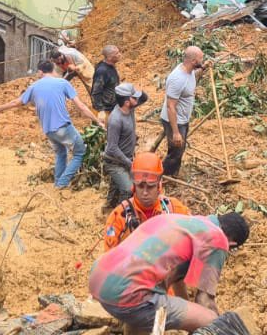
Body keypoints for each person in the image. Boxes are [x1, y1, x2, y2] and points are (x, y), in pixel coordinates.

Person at [88, 213, 251, 335]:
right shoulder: (218, 239)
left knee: (147, 312)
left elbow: (177, 281)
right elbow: (205, 301)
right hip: (128, 296)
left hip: (98, 281)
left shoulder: (185, 222)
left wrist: (188, 315)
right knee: (211, 320)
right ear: (232, 243)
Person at [0, 61, 103, 188]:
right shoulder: (63, 83)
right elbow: (81, 106)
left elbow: (16, 102)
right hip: (63, 126)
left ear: (41, 72)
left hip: (48, 131)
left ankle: (58, 182)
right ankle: (62, 183)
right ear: (53, 69)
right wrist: (97, 121)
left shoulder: (34, 87)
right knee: (80, 152)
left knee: (61, 153)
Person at [103, 151, 191, 251]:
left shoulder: (175, 209)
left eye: (150, 187)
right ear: (134, 186)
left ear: (159, 185)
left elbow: (195, 233)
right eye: (140, 186)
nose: (145, 192)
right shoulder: (117, 217)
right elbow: (109, 257)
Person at [159, 46, 207, 177]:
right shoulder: (177, 79)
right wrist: (175, 132)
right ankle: (161, 177)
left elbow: (191, 78)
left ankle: (173, 174)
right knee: (176, 152)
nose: (202, 61)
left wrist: (204, 67)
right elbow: (170, 106)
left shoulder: (189, 70)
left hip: (182, 119)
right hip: (175, 120)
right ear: (193, 61)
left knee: (179, 149)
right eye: (201, 59)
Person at [102, 83, 147, 211]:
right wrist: (129, 163)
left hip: (125, 158)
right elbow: (112, 148)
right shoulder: (115, 120)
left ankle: (107, 208)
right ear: (127, 102)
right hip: (114, 162)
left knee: (116, 186)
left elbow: (144, 98)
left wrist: (137, 91)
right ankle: (121, 214)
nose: (137, 100)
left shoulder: (130, 107)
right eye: (134, 98)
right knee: (128, 189)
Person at [91, 45, 122, 113]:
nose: (119, 54)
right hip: (105, 109)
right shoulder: (102, 71)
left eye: (119, 52)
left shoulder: (111, 66)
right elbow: (96, 92)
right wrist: (101, 110)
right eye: (116, 53)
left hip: (113, 106)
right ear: (109, 57)